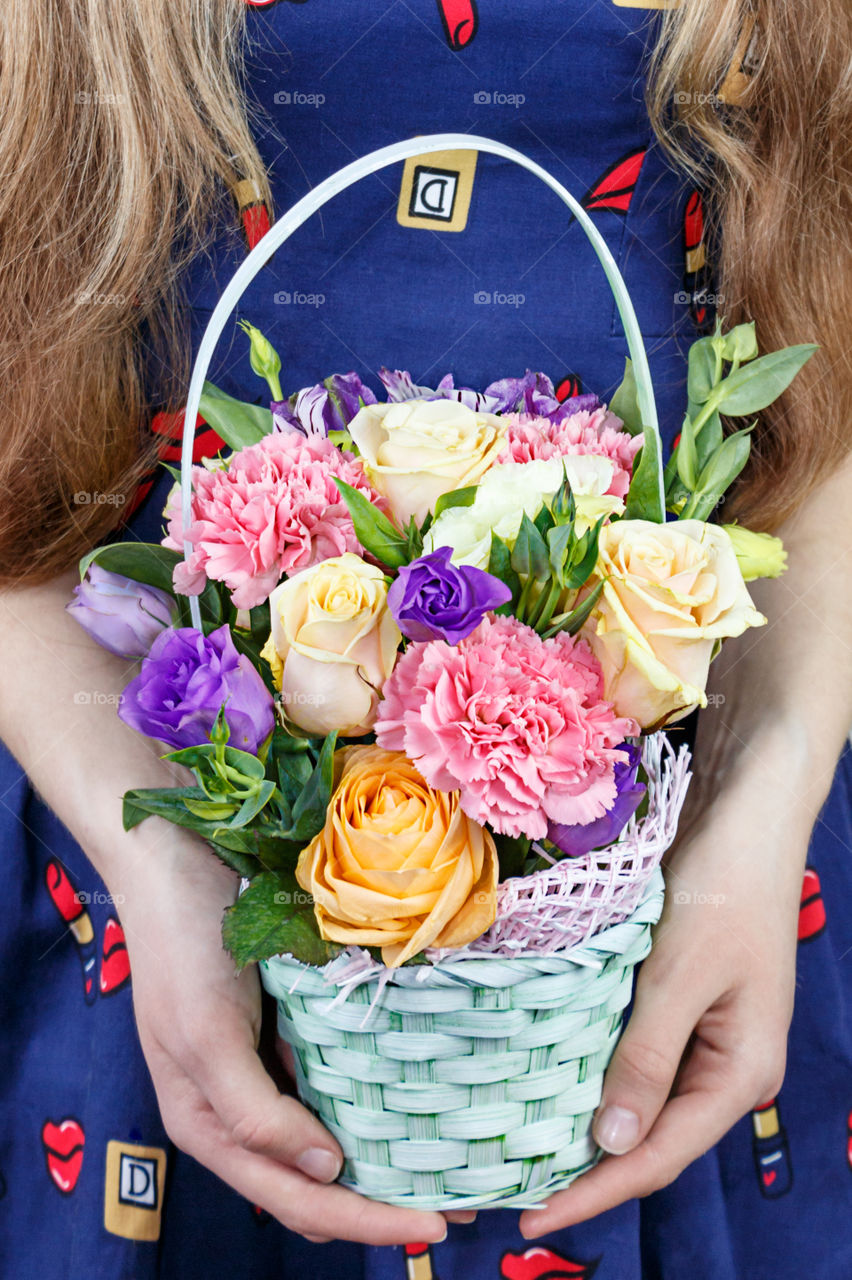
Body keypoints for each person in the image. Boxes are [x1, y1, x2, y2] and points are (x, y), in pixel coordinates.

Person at [1, 2, 850, 1277]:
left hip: (698, 893)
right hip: (145, 898)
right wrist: (169, 869)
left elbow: (829, 388)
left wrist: (773, 776)